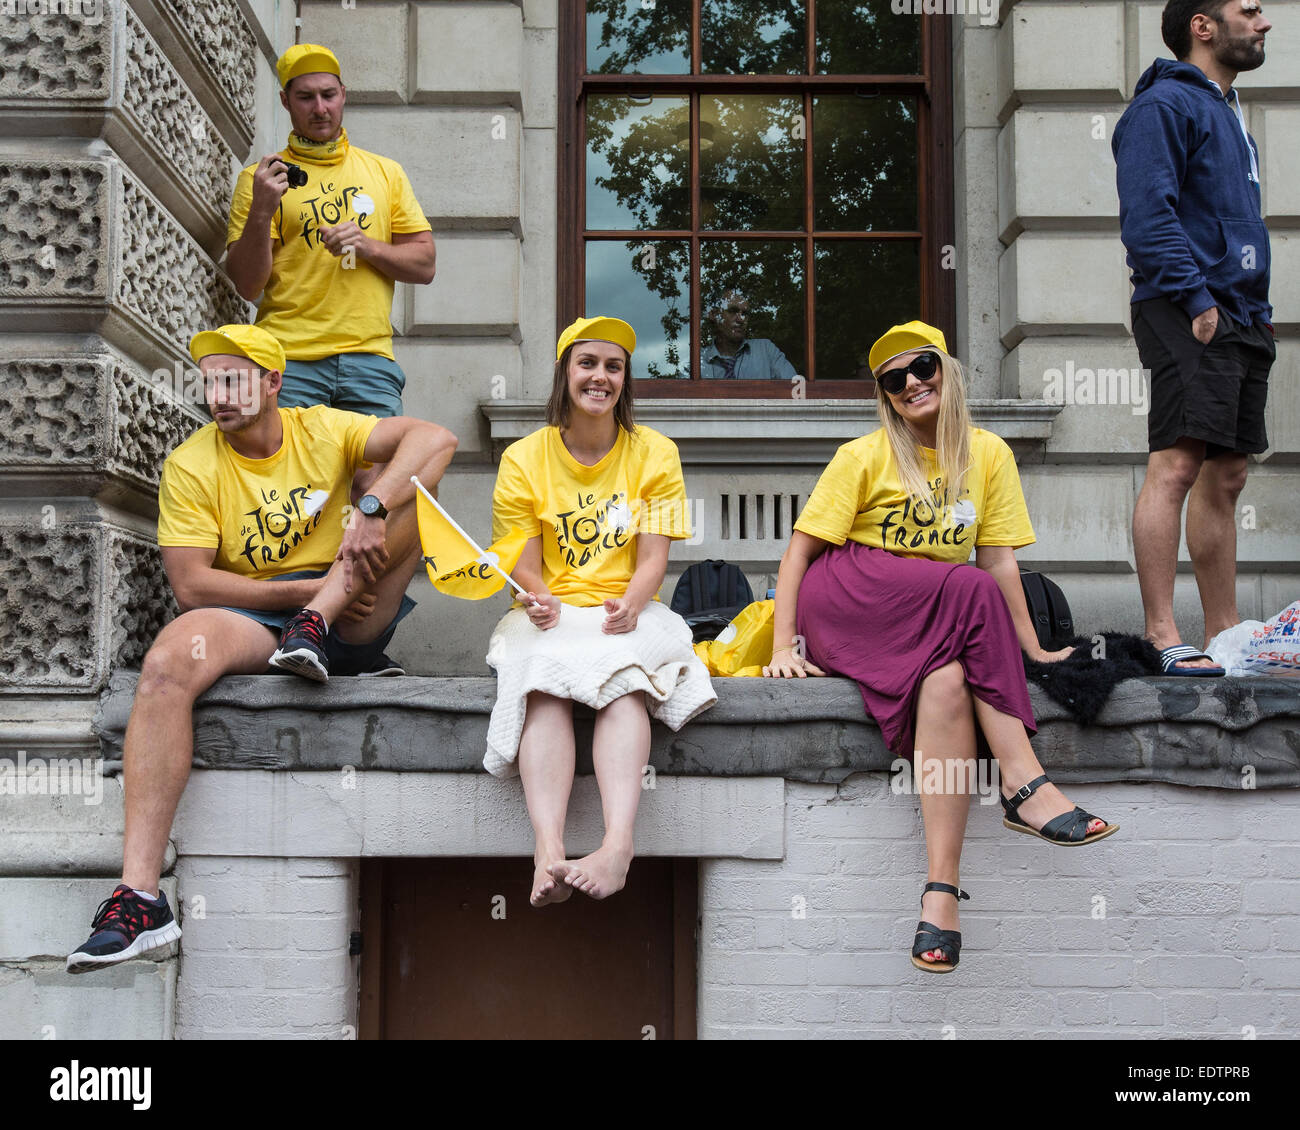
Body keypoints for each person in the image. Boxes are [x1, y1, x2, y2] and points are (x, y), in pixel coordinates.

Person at [65, 324, 457, 973]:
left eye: (235, 378)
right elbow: (192, 585)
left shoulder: (321, 429)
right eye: (211, 380)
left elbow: (437, 439)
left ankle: (322, 621)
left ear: (274, 382)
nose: (219, 393)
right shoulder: (194, 461)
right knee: (165, 664)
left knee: (421, 483)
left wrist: (370, 506)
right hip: (264, 612)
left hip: (352, 610)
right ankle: (139, 900)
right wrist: (307, 591)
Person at [763, 320, 1117, 974]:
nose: (911, 384)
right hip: (850, 595)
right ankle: (1023, 781)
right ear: (886, 397)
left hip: (934, 613)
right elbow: (799, 553)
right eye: (894, 381)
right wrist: (785, 642)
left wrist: (1035, 651)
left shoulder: (988, 455)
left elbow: (1002, 564)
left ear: (947, 370)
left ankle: (940, 894)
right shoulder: (863, 455)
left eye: (922, 367)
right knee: (969, 589)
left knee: (948, 684)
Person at [486, 316, 716, 908]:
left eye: (613, 367)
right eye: (588, 363)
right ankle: (548, 851)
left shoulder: (655, 453)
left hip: (630, 610)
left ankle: (617, 847)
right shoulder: (522, 459)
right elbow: (524, 562)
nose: (600, 377)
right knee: (542, 684)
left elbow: (653, 559)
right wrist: (538, 597)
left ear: (625, 380)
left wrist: (633, 604)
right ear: (565, 374)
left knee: (623, 682)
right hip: (552, 611)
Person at [1113, 0, 1275, 675]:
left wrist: (1245, 310)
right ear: (1202, 26)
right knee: (1176, 465)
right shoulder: (1164, 106)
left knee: (1227, 476)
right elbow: (1148, 215)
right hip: (1188, 308)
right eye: (1249, 10)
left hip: (1241, 313)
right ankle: (1160, 633)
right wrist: (1197, 300)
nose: (1264, 23)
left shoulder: (1233, 117)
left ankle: (1224, 635)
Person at [225, 44, 436, 419]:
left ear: (344, 96)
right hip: (288, 360)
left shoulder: (385, 172)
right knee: (296, 477)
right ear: (285, 101)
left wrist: (367, 246)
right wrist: (261, 209)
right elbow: (247, 285)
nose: (320, 108)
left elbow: (424, 265)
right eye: (305, 97)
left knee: (378, 477)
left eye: (328, 95)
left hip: (369, 360)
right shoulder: (259, 179)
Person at [700, 290, 798, 380]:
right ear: (714, 315)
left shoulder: (765, 350)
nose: (741, 319)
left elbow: (796, 390)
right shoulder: (697, 362)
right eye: (732, 311)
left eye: (745, 313)